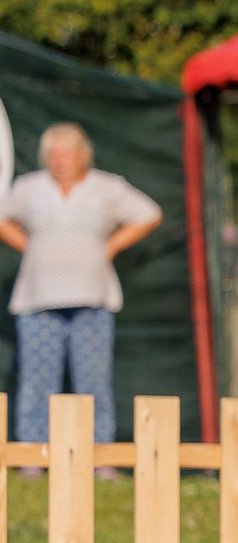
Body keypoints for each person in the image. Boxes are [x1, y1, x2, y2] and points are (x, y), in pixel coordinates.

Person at [0, 123, 162, 460]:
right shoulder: (29, 188)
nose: (59, 160)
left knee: (93, 381)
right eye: (53, 153)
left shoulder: (107, 187)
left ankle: (99, 456)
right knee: (36, 382)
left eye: (66, 152)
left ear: (83, 155)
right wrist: (31, 248)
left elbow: (149, 214)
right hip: (37, 300)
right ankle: (33, 457)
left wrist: (111, 246)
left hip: (93, 298)